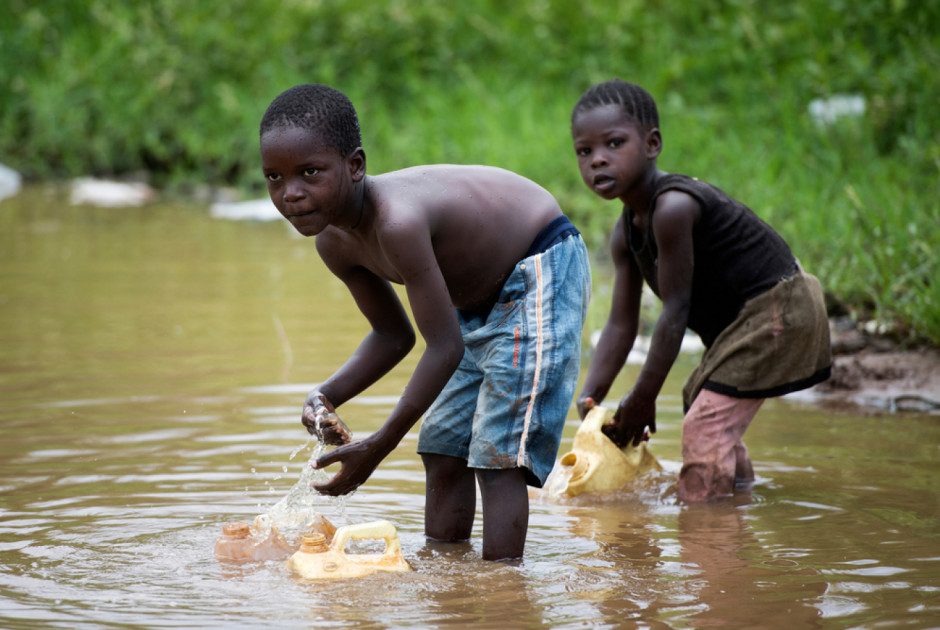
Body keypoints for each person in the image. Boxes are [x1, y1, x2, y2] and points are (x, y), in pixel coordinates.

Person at [259, 84, 591, 560]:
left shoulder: (396, 222)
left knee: (497, 456)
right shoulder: (334, 242)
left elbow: (444, 348)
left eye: (310, 173)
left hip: (538, 265)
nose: (291, 193)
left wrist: (380, 443)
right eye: (274, 177)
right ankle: (446, 574)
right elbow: (393, 336)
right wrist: (324, 396)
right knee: (442, 446)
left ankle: (502, 593)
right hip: (472, 299)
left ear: (355, 166)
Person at [570, 79, 831, 502]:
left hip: (781, 308)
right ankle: (735, 499)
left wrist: (643, 396)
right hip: (744, 322)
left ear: (652, 143)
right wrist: (592, 392)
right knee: (703, 407)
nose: (598, 160)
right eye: (585, 151)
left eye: (614, 144)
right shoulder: (625, 233)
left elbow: (675, 310)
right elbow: (621, 322)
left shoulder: (673, 207)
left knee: (705, 424)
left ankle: (706, 529)